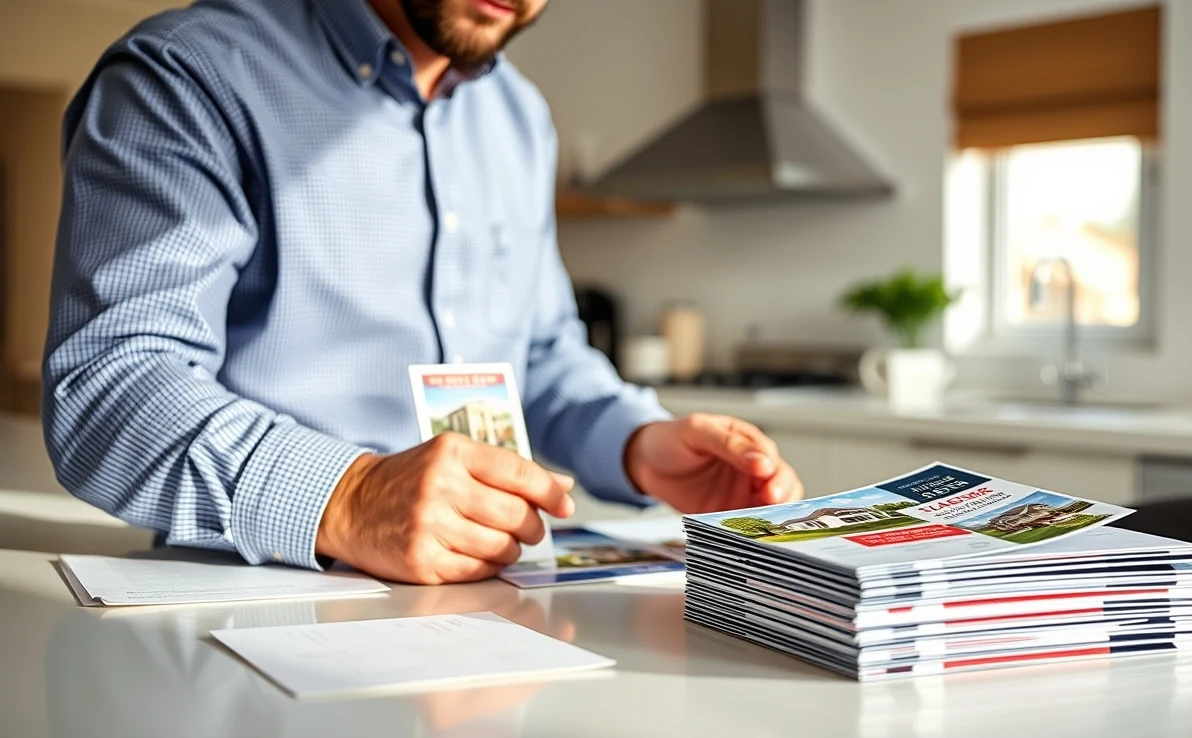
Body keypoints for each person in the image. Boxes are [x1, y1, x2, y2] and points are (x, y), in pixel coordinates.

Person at [43, 0, 803, 585]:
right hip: (255, 603)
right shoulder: (189, 74)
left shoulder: (519, 117)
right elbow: (109, 384)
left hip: (492, 607)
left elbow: (539, 357)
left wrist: (639, 444)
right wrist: (348, 497)